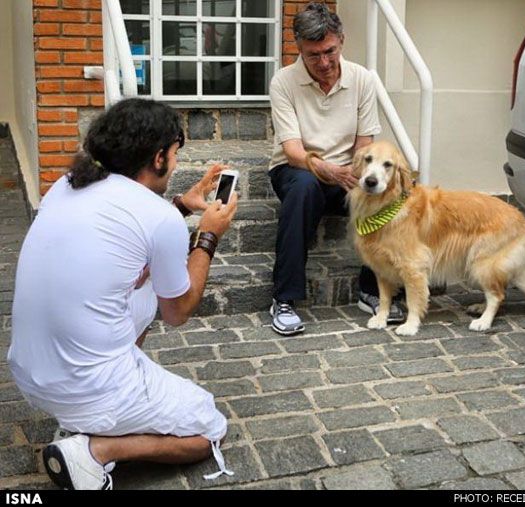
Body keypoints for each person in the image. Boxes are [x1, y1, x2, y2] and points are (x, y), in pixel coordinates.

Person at [7, 98, 238, 490]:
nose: (177, 163)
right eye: (176, 153)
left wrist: (183, 204)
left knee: (143, 286)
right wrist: (209, 234)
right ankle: (96, 450)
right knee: (210, 430)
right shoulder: (156, 215)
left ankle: (108, 405)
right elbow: (179, 310)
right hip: (86, 387)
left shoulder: (65, 186)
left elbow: (130, 236)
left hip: (29, 374)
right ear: (159, 157)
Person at [268, 2, 405, 336]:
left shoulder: (362, 79)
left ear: (342, 41)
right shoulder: (283, 82)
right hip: (297, 169)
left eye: (330, 51)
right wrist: (330, 170)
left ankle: (373, 291)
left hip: (348, 170)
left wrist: (358, 176)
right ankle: (284, 299)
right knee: (303, 188)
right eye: (313, 55)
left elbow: (365, 143)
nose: (324, 63)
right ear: (299, 49)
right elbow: (293, 151)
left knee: (388, 191)